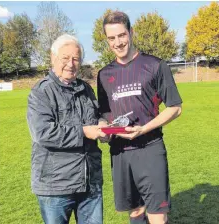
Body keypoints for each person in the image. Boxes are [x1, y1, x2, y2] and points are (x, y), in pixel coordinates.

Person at [97, 11, 182, 224]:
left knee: (157, 216)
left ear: (131, 33)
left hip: (149, 149)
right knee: (135, 213)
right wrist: (104, 130)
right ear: (107, 40)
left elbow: (175, 107)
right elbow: (104, 114)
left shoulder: (155, 65)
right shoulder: (104, 75)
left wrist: (144, 129)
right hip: (120, 153)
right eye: (112, 38)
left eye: (122, 35)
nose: (118, 42)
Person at [27, 34, 106, 224]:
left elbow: (96, 117)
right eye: (65, 58)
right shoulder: (41, 92)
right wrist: (84, 132)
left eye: (76, 59)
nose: (71, 64)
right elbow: (43, 132)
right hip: (55, 186)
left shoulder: (86, 89)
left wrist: (102, 123)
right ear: (53, 58)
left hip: (90, 182)